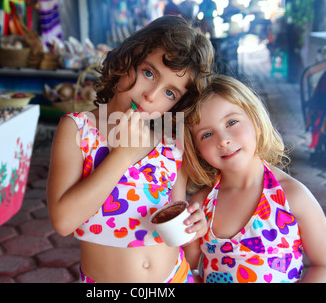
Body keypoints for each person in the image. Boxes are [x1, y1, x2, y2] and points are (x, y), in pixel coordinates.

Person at [46, 15, 214, 283]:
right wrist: (123, 154)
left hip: (175, 277)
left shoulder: (172, 143)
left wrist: (193, 225)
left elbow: (174, 212)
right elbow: (64, 221)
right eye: (149, 73)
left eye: (170, 93)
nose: (151, 95)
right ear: (128, 59)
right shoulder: (78, 130)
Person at [183, 75, 326, 283]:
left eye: (231, 122)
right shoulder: (200, 205)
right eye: (206, 134)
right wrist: (189, 236)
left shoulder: (291, 196)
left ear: (257, 122)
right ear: (197, 150)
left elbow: (322, 264)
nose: (223, 140)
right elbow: (188, 268)